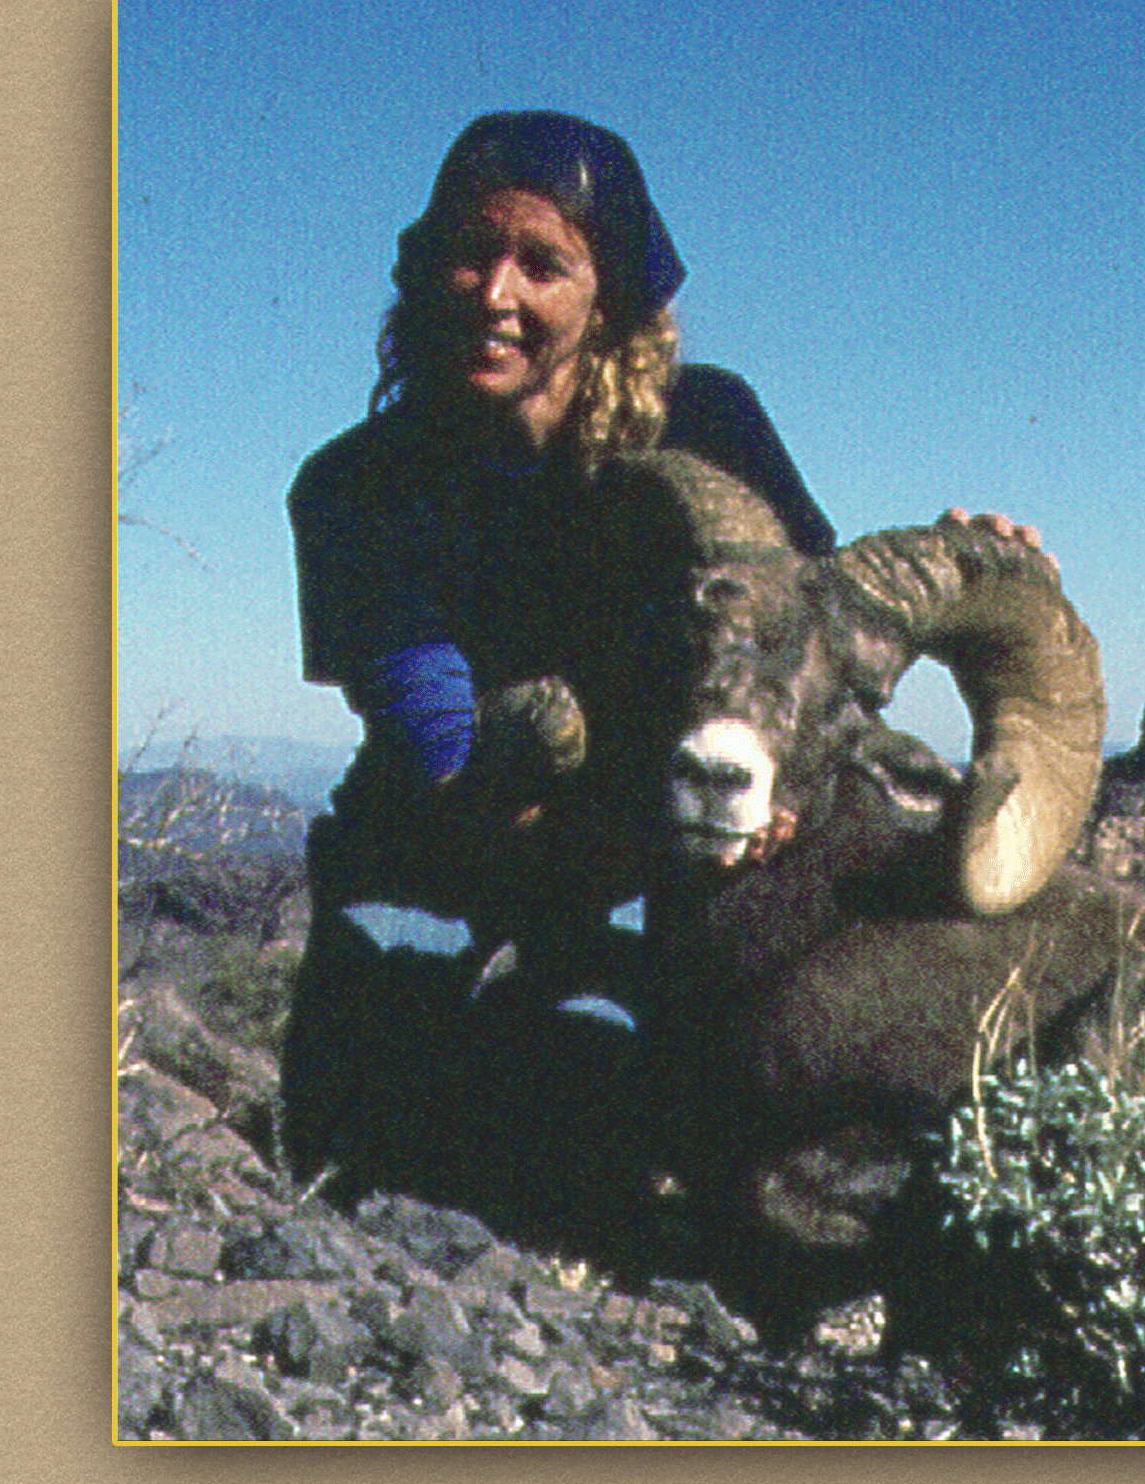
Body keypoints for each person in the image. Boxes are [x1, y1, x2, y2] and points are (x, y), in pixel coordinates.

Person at [280, 110, 835, 1190]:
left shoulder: (709, 428)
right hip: (443, 856)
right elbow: (444, 754)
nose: (494, 293)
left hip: (661, 866)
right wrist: (673, 821)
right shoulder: (355, 487)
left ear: (607, 295)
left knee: (593, 1166)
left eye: (542, 263)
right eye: (467, 252)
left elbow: (806, 634)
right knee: (358, 1165)